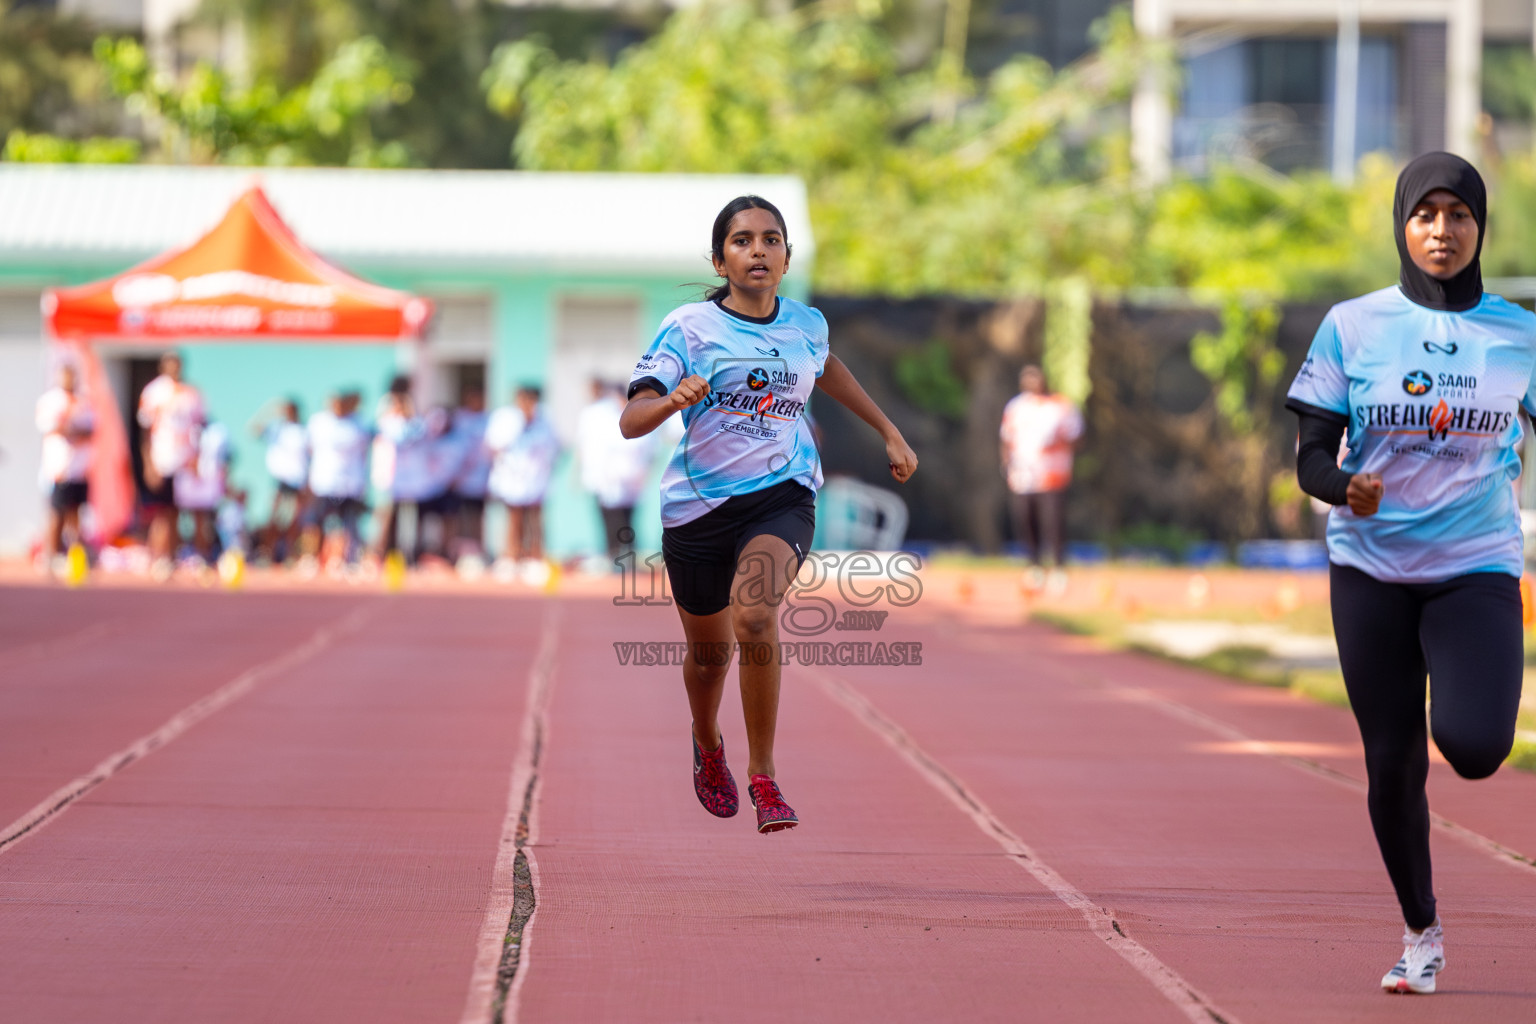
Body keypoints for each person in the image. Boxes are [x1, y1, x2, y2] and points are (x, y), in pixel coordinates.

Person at [1287, 153, 1533, 996]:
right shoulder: (1353, 325)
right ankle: (1420, 931)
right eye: (1424, 214)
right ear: (1402, 225)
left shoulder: (1520, 333)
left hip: (1475, 567)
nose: (1441, 230)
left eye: (1457, 214)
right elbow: (1310, 454)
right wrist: (1340, 485)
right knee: (1392, 761)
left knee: (1473, 746)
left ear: (1479, 226)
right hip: (1372, 568)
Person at [622, 195, 917, 834]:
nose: (758, 250)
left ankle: (764, 776)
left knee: (755, 616)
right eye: (743, 240)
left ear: (785, 256)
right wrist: (673, 398)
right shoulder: (690, 328)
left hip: (782, 495)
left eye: (771, 239)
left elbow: (827, 367)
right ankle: (707, 743)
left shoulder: (806, 325)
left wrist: (888, 431)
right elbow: (631, 420)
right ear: (719, 258)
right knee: (709, 659)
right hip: (697, 510)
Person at [999, 364, 1082, 588]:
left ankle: (1057, 567)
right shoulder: (1016, 407)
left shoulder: (1061, 406)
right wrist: (1007, 465)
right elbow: (1007, 439)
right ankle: (1034, 565)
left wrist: (1058, 443)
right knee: (1025, 518)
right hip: (1023, 474)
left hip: (1052, 473)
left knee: (1053, 520)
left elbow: (1076, 436)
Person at [137, 352, 204, 580]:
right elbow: (145, 432)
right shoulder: (154, 393)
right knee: (161, 513)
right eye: (170, 364)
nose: (174, 368)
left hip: (183, 463)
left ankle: (174, 558)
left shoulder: (191, 394)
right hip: (163, 460)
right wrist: (149, 464)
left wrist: (196, 460)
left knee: (178, 513)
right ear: (162, 366)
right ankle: (158, 558)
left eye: (178, 364)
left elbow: (198, 429)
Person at [577, 378, 654, 563]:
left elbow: (649, 449)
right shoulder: (604, 417)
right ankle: (613, 555)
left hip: (632, 478)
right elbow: (596, 449)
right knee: (611, 519)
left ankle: (629, 556)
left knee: (629, 519)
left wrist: (643, 473)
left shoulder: (640, 415)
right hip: (609, 478)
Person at [486, 384, 560, 577]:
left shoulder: (545, 419)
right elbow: (493, 445)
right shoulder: (505, 418)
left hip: (536, 478)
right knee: (514, 518)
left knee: (535, 519)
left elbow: (554, 446)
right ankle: (512, 556)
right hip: (512, 479)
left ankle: (535, 557)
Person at [299, 390, 370, 571]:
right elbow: (309, 450)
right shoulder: (318, 422)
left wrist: (363, 483)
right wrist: (307, 480)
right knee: (314, 523)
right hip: (323, 483)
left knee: (350, 525)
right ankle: (310, 558)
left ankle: (350, 560)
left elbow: (363, 454)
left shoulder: (358, 423)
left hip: (350, 485)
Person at [34, 362, 94, 572]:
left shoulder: (84, 402)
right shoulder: (50, 401)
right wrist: (71, 429)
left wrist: (73, 430)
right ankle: (50, 556)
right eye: (65, 376)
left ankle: (74, 557)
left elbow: (91, 431)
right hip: (58, 469)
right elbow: (53, 428)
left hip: (79, 469)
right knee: (56, 514)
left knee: (75, 515)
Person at [250, 398, 309, 563]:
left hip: (297, 481)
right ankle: (266, 554)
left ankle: (290, 556)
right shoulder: (277, 429)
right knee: (274, 519)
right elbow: (252, 428)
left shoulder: (304, 431)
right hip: (278, 480)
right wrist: (269, 411)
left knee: (294, 521)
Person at [173, 417, 231, 566]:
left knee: (205, 520)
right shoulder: (186, 430)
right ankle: (191, 553)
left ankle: (204, 554)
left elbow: (226, 459)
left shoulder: (216, 433)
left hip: (206, 483)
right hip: (191, 483)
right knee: (188, 519)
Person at [449, 386, 492, 564]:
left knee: (477, 518)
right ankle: (457, 554)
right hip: (460, 479)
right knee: (457, 518)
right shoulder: (460, 419)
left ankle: (478, 553)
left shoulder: (488, 420)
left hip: (480, 480)